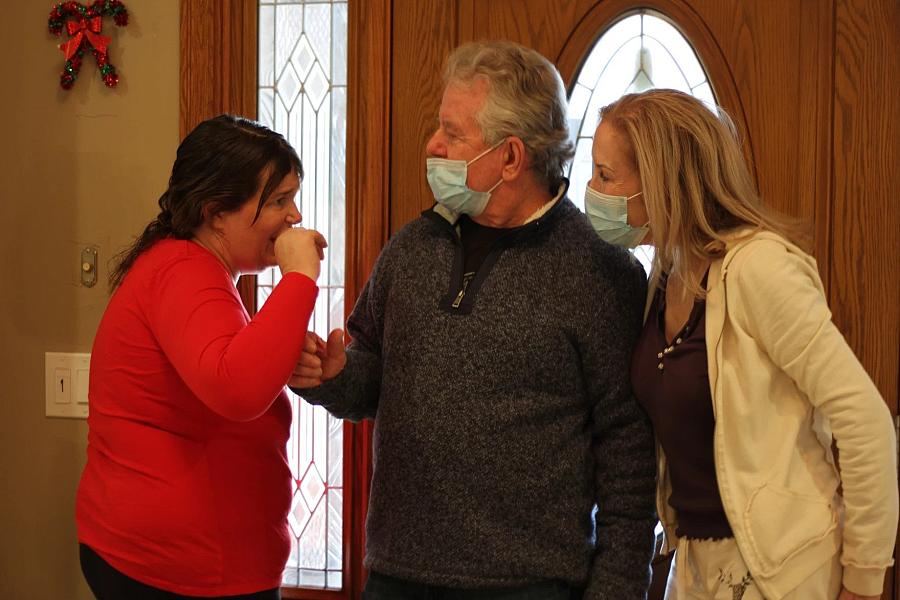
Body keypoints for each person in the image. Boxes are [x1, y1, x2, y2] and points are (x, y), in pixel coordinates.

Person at [292, 41, 657, 599]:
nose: (432, 144)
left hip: (529, 585)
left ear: (510, 157)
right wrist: (335, 374)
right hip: (397, 574)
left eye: (452, 133)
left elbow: (628, 452)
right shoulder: (412, 247)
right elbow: (372, 377)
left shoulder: (601, 271)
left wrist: (615, 590)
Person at [585, 88, 898, 600]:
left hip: (781, 566)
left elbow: (865, 421)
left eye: (606, 175)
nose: (592, 192)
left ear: (663, 181)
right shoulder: (667, 270)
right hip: (697, 561)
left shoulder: (759, 267)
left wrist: (864, 582)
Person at [76, 114, 327, 599]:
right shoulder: (183, 270)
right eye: (278, 201)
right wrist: (299, 278)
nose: (294, 216)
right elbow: (236, 389)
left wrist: (283, 354)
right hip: (174, 570)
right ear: (216, 212)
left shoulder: (190, 268)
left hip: (189, 564)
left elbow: (217, 369)